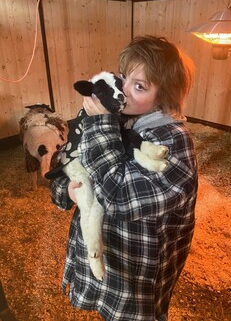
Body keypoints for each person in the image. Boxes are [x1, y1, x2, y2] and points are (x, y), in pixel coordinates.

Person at [50, 35, 198, 321]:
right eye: (123, 78)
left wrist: (99, 124)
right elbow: (67, 161)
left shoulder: (173, 142)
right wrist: (67, 190)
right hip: (101, 253)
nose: (123, 91)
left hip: (135, 272)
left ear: (164, 98)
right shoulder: (116, 119)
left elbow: (119, 198)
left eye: (139, 86)